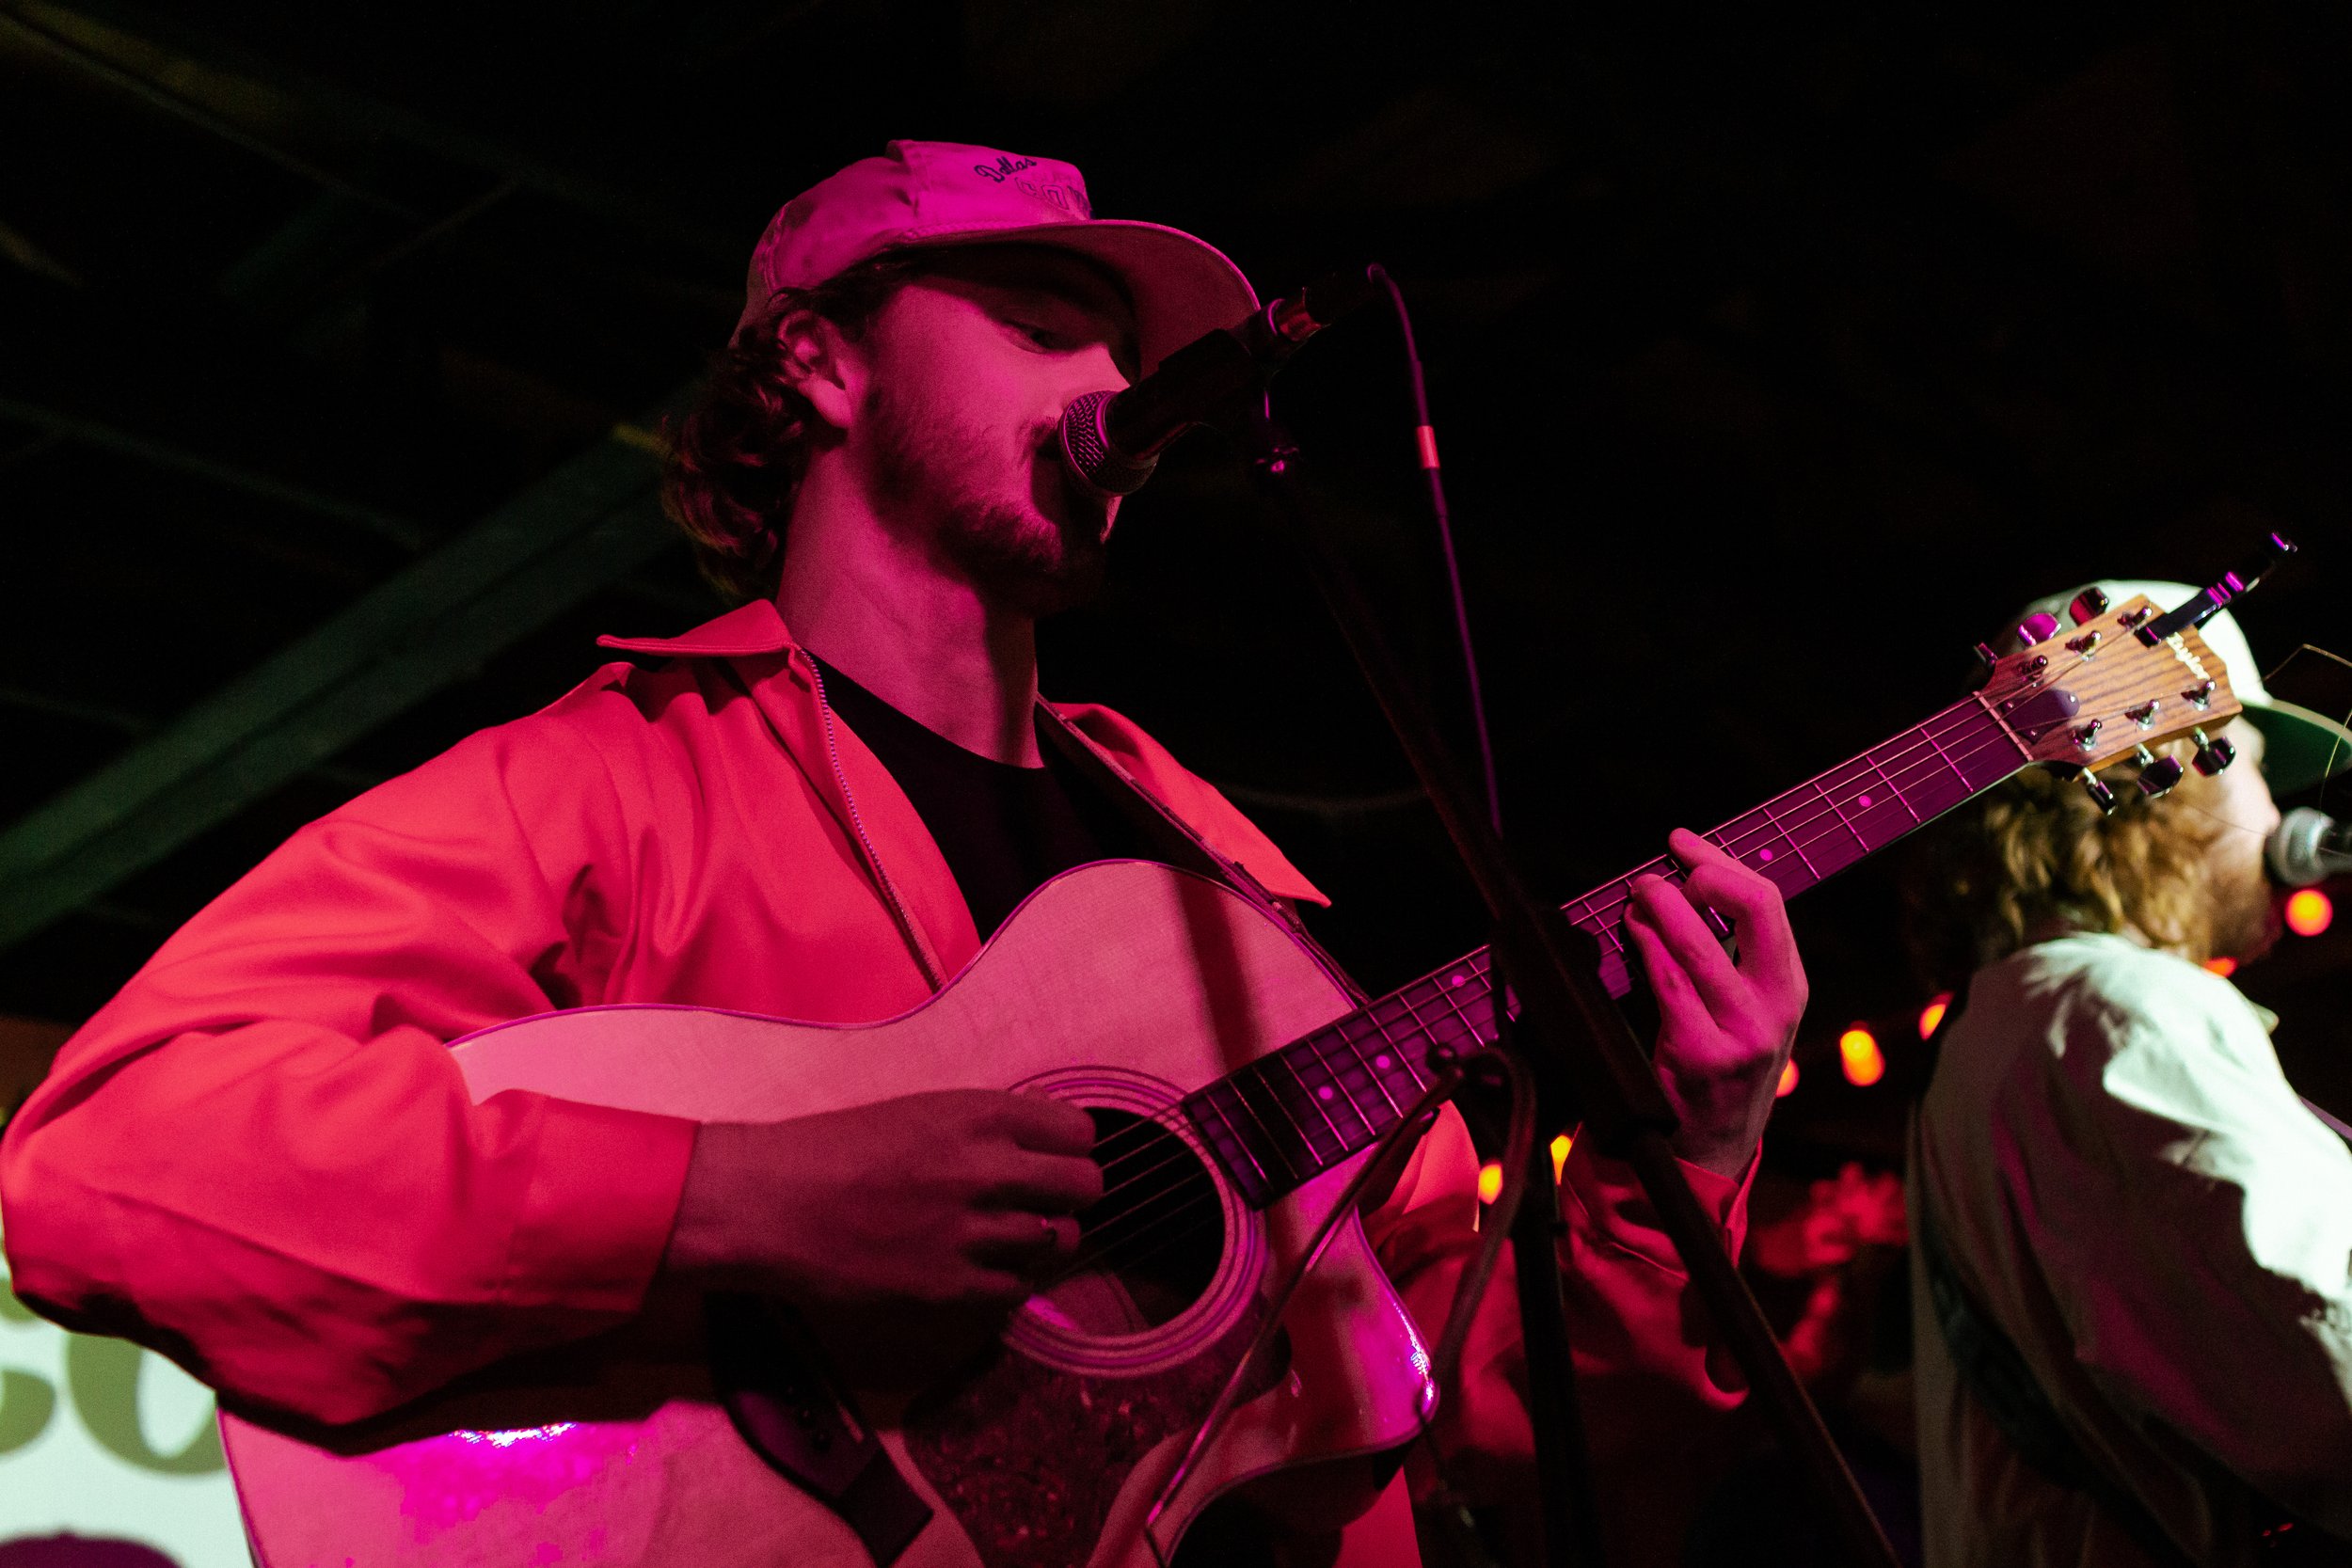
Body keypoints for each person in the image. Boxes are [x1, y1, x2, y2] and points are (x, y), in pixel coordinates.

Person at [0, 141, 1808, 1564]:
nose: (1119, 384)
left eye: (1132, 352)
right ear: (819, 358)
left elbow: (1485, 1406)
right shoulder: (606, 791)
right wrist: (734, 1198)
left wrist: (1701, 1149)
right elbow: (111, 1151)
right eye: (1042, 322)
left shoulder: (1233, 896)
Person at [1902, 579, 2352, 1566]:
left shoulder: (2012, 1026)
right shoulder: (2121, 1009)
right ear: (2167, 765)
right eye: (2261, 765)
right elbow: (2332, 1361)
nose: (2281, 808)